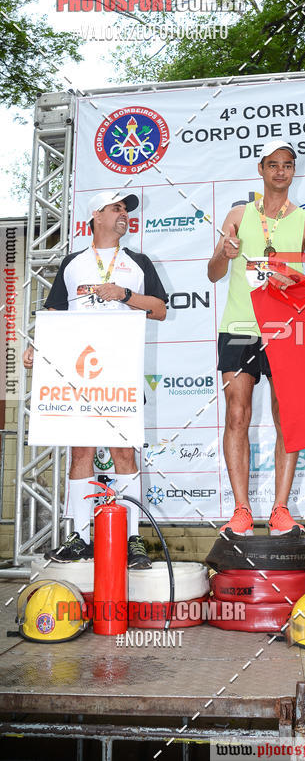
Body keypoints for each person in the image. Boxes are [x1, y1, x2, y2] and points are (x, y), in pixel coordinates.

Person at [23, 190, 167, 568]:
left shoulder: (137, 262)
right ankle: (81, 537)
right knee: (81, 452)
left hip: (120, 367)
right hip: (79, 372)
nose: (123, 214)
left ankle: (132, 538)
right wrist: (35, 347)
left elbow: (160, 309)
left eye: (125, 209)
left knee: (123, 450)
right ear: (96, 217)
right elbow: (53, 312)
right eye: (116, 208)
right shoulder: (73, 263)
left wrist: (124, 294)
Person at [208, 139, 305, 537]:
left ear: (294, 171)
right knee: (237, 415)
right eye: (273, 164)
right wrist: (225, 252)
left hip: (287, 329)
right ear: (261, 169)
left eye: (287, 165)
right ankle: (241, 510)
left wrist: (290, 277)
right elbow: (213, 274)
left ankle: (280, 509)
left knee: (287, 419)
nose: (280, 171)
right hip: (240, 328)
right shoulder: (238, 214)